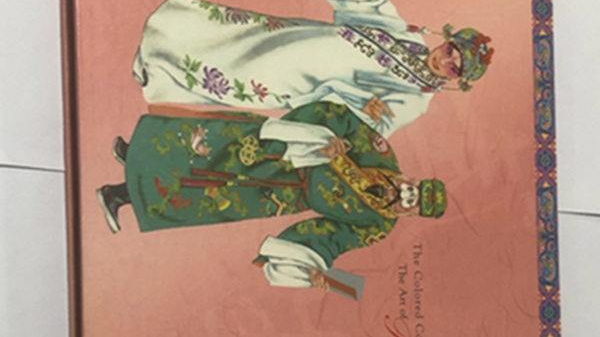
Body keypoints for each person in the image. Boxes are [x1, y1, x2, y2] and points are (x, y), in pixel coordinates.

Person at [133, 0, 493, 140]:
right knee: (240, 40)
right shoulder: (411, 37)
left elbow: (374, 127)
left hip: (306, 78)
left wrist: (362, 103)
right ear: (446, 40)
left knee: (239, 72)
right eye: (450, 50)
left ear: (456, 79)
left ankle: (160, 72)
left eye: (454, 67)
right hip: (304, 38)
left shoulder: (416, 100)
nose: (445, 60)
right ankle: (162, 42)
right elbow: (376, 9)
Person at [97, 102, 446, 292]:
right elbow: (344, 120)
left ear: (412, 214)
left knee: (209, 192)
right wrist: (331, 139)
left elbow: (334, 237)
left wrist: (313, 264)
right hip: (286, 152)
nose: (405, 196)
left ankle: (119, 194)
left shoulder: (378, 225)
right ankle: (137, 152)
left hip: (279, 195)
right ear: (412, 179)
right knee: (215, 144)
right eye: (412, 189)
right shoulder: (383, 155)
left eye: (412, 203)